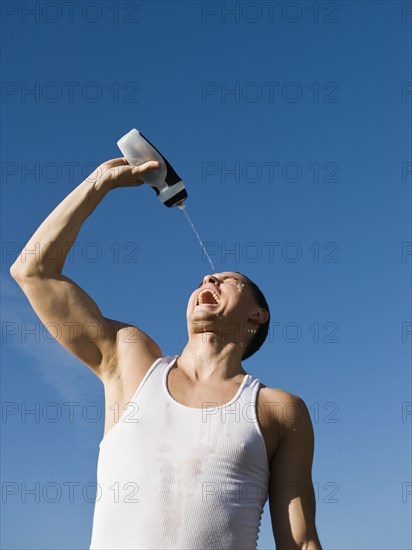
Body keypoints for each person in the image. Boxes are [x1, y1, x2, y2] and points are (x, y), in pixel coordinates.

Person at [10, 158, 322, 549]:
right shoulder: (131, 363)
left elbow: (301, 542)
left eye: (229, 280)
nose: (210, 278)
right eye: (208, 277)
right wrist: (98, 184)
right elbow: (34, 271)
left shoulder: (278, 409)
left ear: (258, 316)